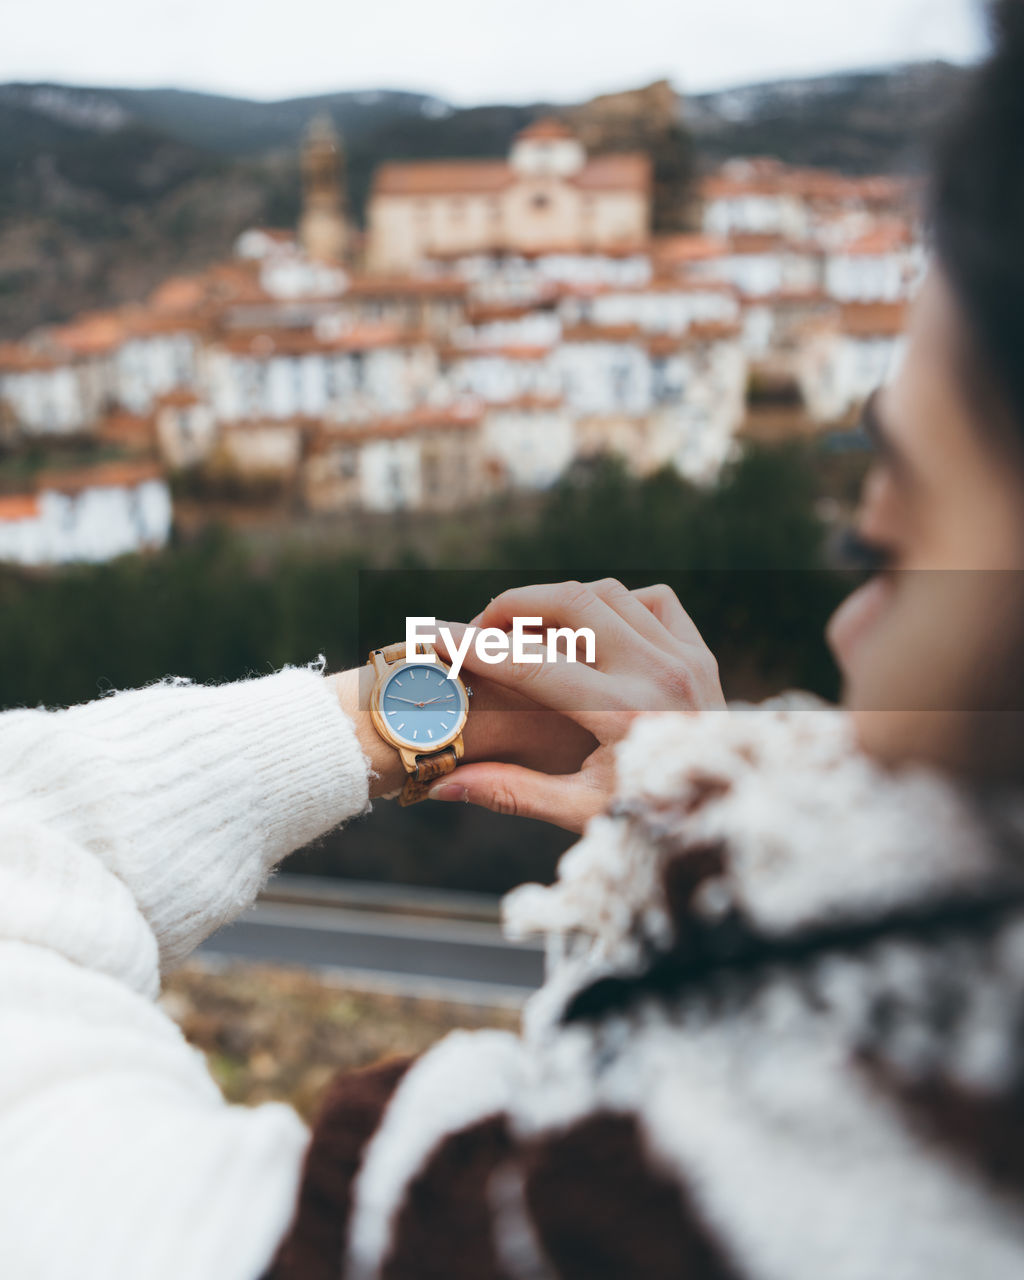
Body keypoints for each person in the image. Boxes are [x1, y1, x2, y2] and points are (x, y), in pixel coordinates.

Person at [5, 6, 1024, 1278]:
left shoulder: (531, 1224)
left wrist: (383, 714)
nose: (841, 621)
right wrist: (685, 900)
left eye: (883, 546)